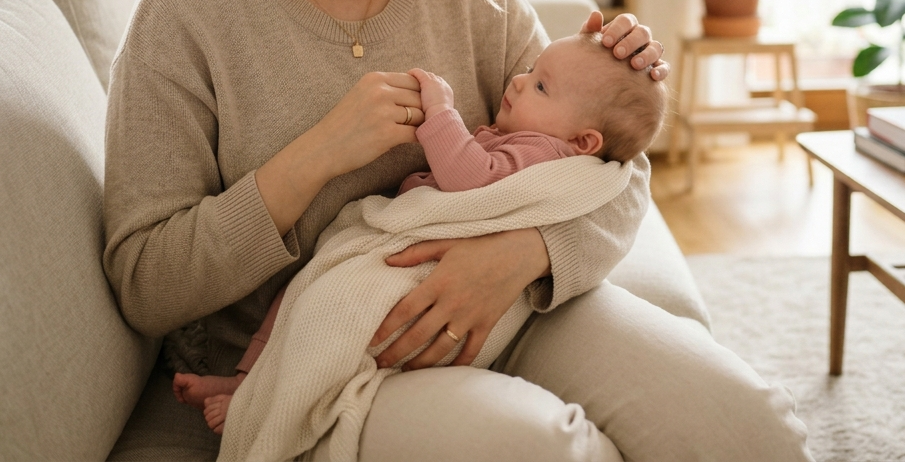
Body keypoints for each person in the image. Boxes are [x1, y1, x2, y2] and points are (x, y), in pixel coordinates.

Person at [102, 0, 814, 462]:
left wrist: (525, 251)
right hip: (329, 359)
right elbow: (148, 283)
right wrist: (313, 157)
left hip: (507, 305)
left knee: (748, 427)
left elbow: (613, 172)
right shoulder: (186, 15)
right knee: (550, 451)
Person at [172, 31, 669, 434]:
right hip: (392, 253)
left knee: (326, 312)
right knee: (302, 294)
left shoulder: (544, 152)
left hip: (434, 284)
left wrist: (442, 114)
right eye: (531, 71)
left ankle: (259, 397)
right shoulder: (544, 136)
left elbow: (473, 178)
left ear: (584, 142)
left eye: (540, 86)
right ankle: (246, 383)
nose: (517, 81)